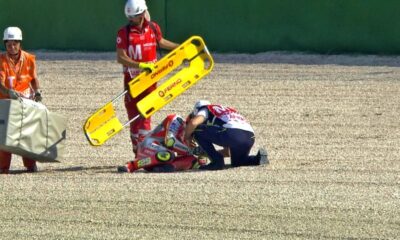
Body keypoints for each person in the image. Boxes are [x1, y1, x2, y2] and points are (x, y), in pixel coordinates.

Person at [116, 0, 179, 158]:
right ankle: (137, 150)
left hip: (150, 81)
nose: (133, 19)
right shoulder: (124, 33)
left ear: (142, 13)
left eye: (136, 16)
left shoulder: (153, 27)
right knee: (133, 117)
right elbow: (121, 57)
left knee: (146, 114)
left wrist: (180, 47)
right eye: (131, 17)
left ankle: (143, 151)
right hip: (132, 81)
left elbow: (161, 41)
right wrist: (140, 65)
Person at [0, 26, 42, 174]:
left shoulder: (29, 59)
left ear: (20, 43)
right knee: (5, 136)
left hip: (25, 102)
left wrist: (37, 91)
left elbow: (34, 78)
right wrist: (8, 92)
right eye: (8, 44)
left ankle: (30, 165)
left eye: (14, 44)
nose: (11, 47)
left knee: (27, 134)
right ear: (5, 44)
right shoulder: (1, 61)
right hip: (6, 103)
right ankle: (3, 167)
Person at [184, 100, 268, 171]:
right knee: (238, 162)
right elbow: (228, 152)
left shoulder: (205, 109)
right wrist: (205, 153)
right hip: (249, 136)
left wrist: (187, 138)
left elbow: (193, 123)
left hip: (233, 133)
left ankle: (217, 162)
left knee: (197, 129)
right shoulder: (224, 112)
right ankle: (258, 158)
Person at [118, 114, 206, 173]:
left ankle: (168, 168)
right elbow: (170, 142)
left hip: (158, 161)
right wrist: (191, 150)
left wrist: (202, 156)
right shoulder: (177, 120)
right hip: (148, 147)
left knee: (192, 159)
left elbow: (190, 157)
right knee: (168, 155)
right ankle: (132, 165)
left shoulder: (189, 137)